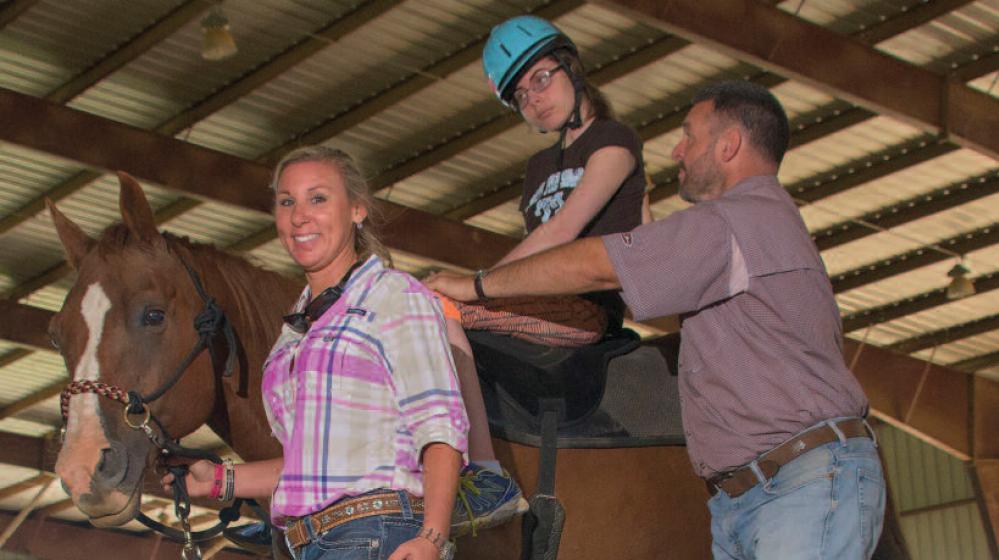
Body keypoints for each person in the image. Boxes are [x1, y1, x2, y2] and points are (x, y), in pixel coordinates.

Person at [427, 81, 887, 559]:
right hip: (753, 494)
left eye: (689, 135)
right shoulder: (761, 224)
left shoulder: (734, 221)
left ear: (729, 146)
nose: (677, 150)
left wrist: (476, 286)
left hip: (800, 484)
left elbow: (598, 263)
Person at [165, 146, 466, 560]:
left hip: (376, 532)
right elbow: (311, 468)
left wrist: (432, 537)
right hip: (313, 542)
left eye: (318, 198)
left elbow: (439, 424)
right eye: (287, 202)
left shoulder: (393, 296)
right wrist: (218, 480)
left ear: (357, 210)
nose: (299, 215)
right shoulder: (295, 333)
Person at [437, 16, 648, 533]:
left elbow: (563, 231)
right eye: (520, 96)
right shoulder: (536, 167)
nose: (534, 99)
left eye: (541, 78)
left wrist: (474, 287)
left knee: (442, 312)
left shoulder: (614, 142)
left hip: (583, 308)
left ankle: (486, 475)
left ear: (572, 68)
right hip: (536, 300)